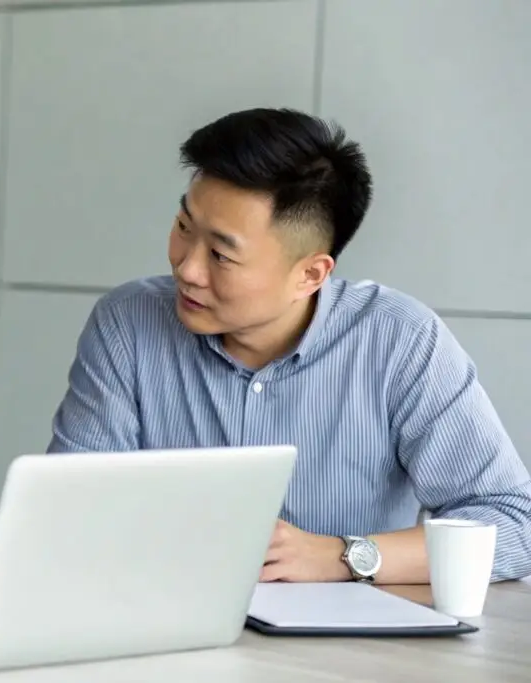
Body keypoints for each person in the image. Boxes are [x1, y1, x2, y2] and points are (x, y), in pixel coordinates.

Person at [47, 107, 531, 585]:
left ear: (310, 274)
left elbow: (514, 523)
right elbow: (70, 512)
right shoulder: (128, 322)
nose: (187, 268)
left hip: (345, 654)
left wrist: (346, 557)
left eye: (220, 254)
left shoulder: (397, 340)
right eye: (183, 227)